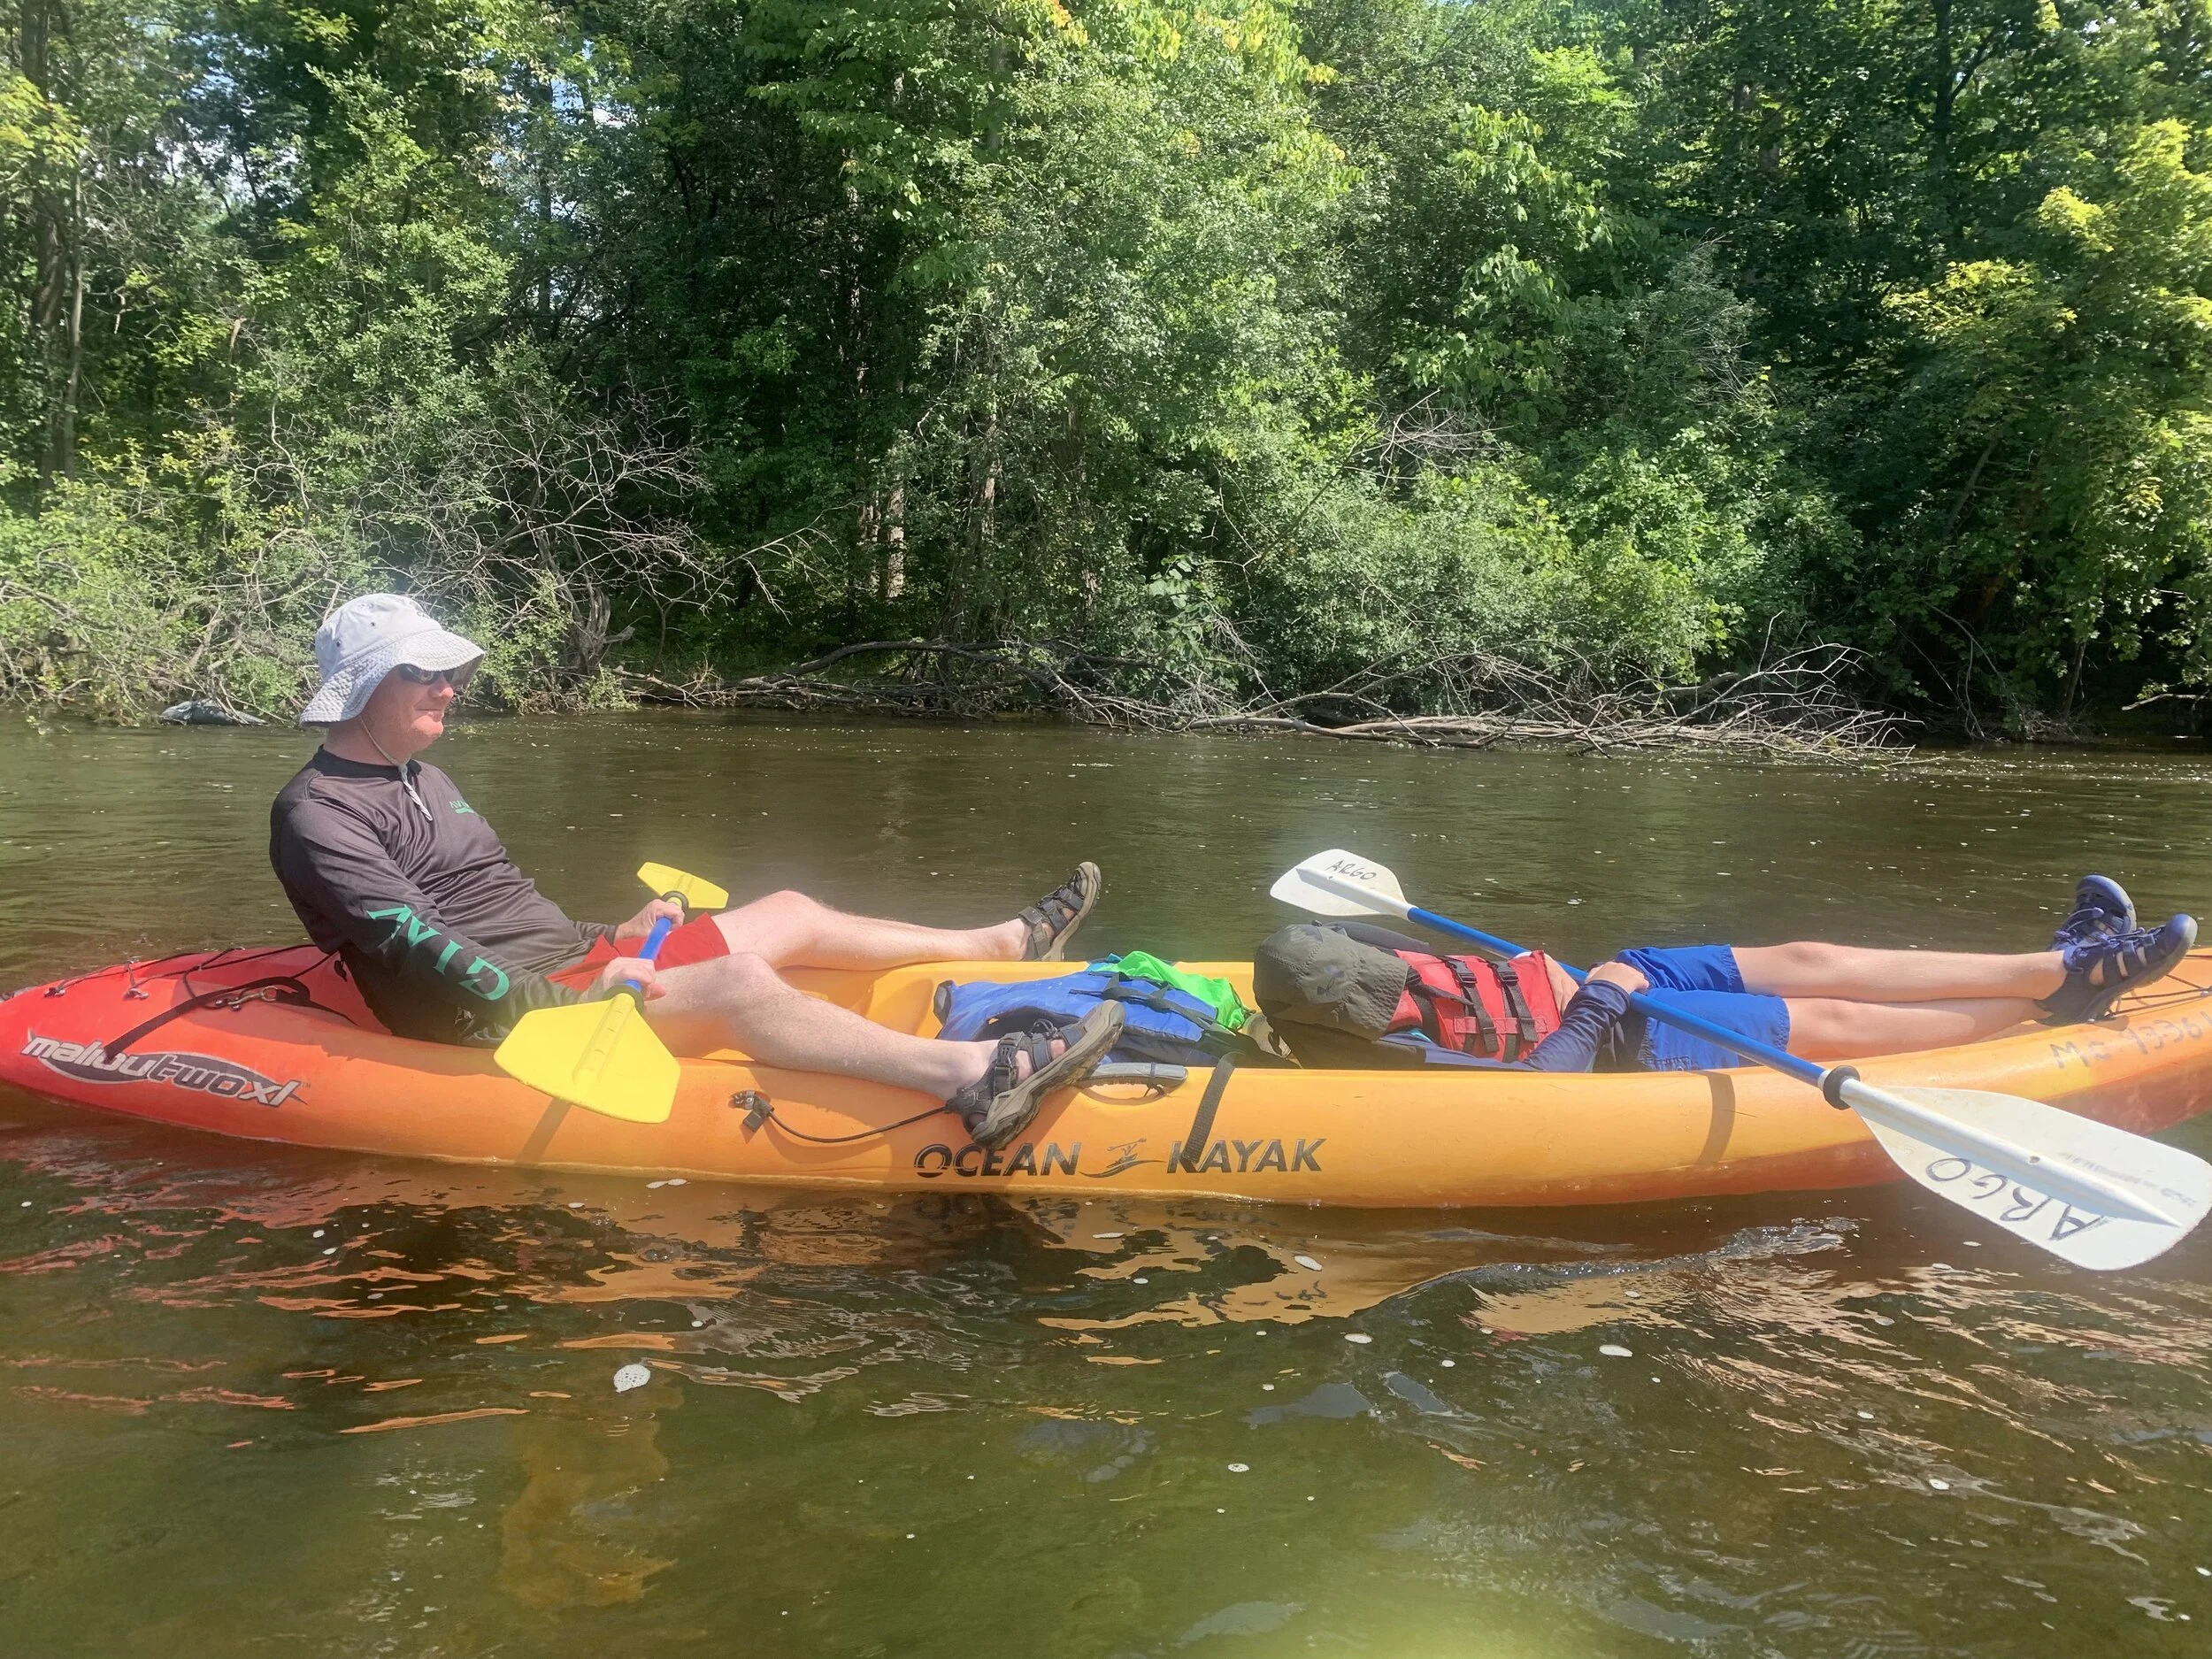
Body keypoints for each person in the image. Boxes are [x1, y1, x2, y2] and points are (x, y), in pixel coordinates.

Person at [269, 593, 1123, 1148]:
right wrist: (576, 998)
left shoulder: (425, 773)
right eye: (427, 673)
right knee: (743, 980)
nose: (451, 687)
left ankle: (995, 944)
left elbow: (505, 905)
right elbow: (423, 947)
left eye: (452, 672)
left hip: (565, 968)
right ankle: (975, 1079)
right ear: (368, 684)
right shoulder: (317, 815)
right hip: (506, 1016)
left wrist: (611, 937)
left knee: (791, 908)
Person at [1260, 875, 2198, 1072]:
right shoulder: (1387, 1060)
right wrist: (1591, 1013)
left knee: (1814, 957)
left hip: (1617, 981)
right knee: (1831, 1016)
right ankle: (2059, 1010)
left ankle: (2060, 963)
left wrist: (1608, 977)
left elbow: (1516, 978)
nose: (1386, 982)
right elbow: (1542, 1085)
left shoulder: (1386, 964)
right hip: (1627, 1039)